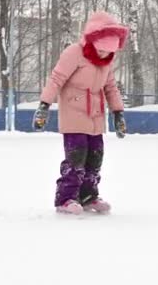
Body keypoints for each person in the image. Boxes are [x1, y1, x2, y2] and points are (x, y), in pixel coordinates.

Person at [32, 11, 128, 215]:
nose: (104, 54)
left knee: (95, 158)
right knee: (76, 158)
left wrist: (118, 113)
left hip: (96, 117)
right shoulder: (74, 53)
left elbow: (110, 87)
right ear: (93, 41)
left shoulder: (107, 60)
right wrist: (44, 106)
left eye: (109, 51)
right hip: (74, 114)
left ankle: (88, 196)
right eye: (101, 49)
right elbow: (56, 79)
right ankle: (65, 198)